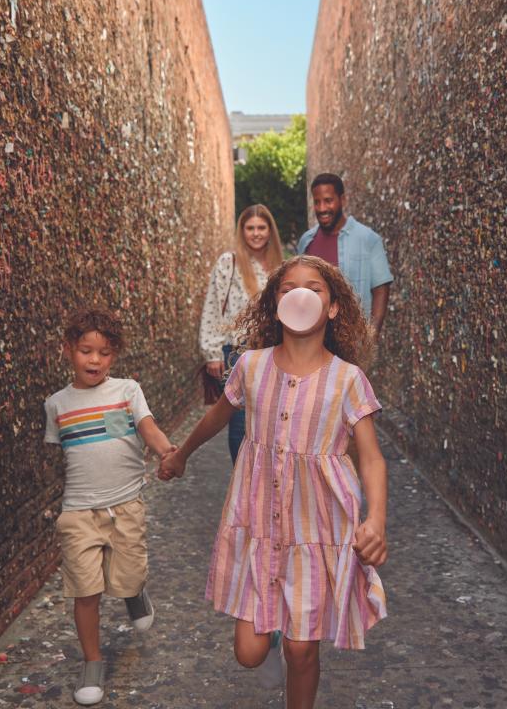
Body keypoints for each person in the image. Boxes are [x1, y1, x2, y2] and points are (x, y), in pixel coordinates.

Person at [161, 255, 389, 709]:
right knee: (248, 653)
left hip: (317, 527)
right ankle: (269, 649)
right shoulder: (251, 366)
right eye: (287, 287)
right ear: (274, 303)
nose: (300, 294)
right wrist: (181, 454)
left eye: (314, 287)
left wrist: (376, 519)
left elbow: (373, 459)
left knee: (302, 648)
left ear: (333, 308)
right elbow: (215, 418)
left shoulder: (349, 380)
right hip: (258, 525)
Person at [43, 307, 177, 706]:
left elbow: (147, 427)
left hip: (125, 506)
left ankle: (134, 592)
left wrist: (166, 451)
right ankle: (92, 664)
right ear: (69, 350)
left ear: (114, 355)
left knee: (128, 575)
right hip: (78, 512)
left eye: (104, 353)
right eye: (86, 351)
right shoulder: (57, 405)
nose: (95, 360)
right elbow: (59, 457)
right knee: (85, 591)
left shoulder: (127, 391)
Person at [198, 205, 284, 463]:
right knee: (239, 423)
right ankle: (243, 480)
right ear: (242, 231)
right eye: (250, 228)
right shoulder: (229, 262)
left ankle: (269, 477)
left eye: (261, 227)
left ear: (270, 231)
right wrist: (212, 352)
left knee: (274, 420)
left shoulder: (282, 266)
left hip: (276, 352)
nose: (256, 233)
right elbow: (213, 306)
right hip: (238, 352)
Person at [296, 173, 393, 336]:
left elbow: (381, 289)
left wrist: (372, 336)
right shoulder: (306, 241)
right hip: (312, 338)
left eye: (328, 200)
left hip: (353, 339)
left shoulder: (368, 239)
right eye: (317, 202)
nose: (321, 208)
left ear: (343, 200)